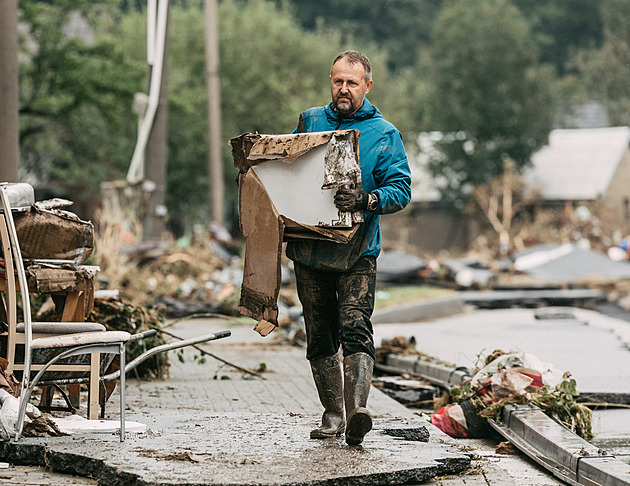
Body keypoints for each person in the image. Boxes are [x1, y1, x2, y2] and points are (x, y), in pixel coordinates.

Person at [286, 50, 412, 445]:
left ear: (367, 86)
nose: (343, 89)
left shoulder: (385, 133)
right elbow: (287, 167)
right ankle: (332, 415)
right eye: (338, 81)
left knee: (356, 326)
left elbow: (401, 188)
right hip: (309, 251)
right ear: (330, 81)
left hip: (358, 251)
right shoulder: (310, 120)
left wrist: (366, 199)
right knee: (319, 334)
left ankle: (357, 410)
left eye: (352, 83)